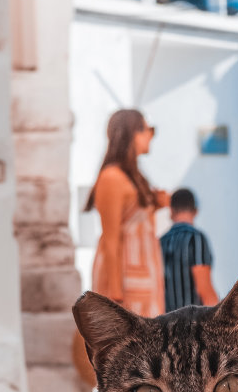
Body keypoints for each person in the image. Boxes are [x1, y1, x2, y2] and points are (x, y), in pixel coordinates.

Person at [85, 109, 168, 317]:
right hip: (125, 281)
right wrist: (114, 296)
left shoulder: (132, 176)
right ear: (134, 133)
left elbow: (132, 222)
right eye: (149, 130)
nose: (150, 136)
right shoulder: (111, 177)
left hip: (143, 275)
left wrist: (156, 204)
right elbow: (111, 238)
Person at [160, 188, 218, 310]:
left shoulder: (161, 242)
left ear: (171, 211)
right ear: (195, 211)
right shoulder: (196, 239)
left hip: (165, 322)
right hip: (191, 322)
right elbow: (204, 289)